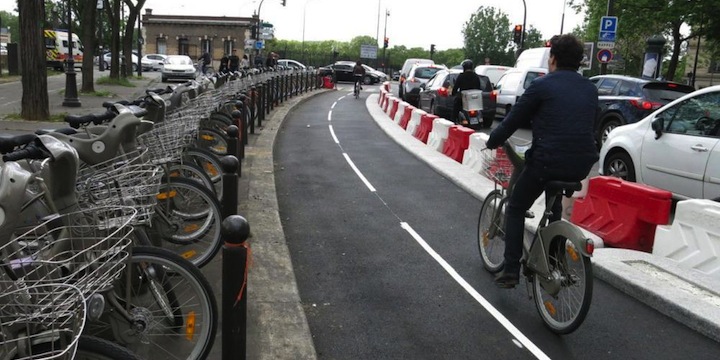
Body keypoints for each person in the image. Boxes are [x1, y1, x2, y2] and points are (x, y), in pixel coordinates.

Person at [485, 34, 599, 288]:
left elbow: (513, 120)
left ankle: (511, 269)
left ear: (553, 58)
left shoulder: (542, 85)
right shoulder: (590, 88)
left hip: (547, 161)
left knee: (515, 207)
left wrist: (493, 140)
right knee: (554, 206)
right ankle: (554, 258)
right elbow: (591, 125)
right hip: (580, 165)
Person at [451, 59, 482, 125]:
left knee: (456, 105)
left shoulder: (461, 76)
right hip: (474, 99)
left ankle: (454, 120)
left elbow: (456, 87)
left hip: (463, 98)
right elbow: (479, 87)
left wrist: (453, 93)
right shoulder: (475, 76)